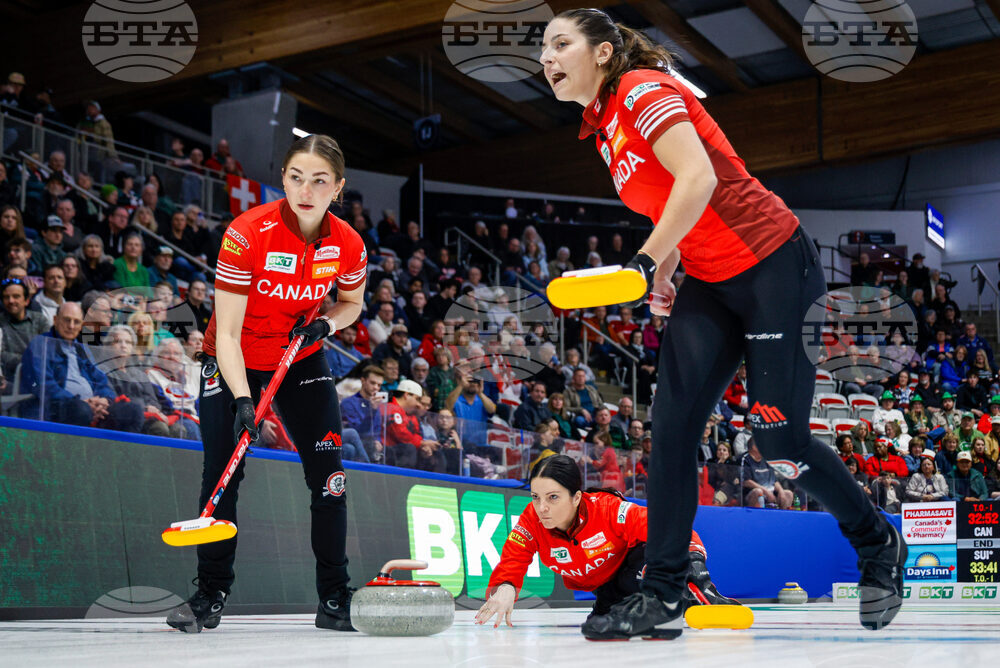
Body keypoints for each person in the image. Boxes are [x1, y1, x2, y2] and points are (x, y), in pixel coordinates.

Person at [538, 10, 906, 638]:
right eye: (542, 47)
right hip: (709, 279)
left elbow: (700, 177)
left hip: (773, 267)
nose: (546, 58)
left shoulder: (641, 90)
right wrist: (664, 272)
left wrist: (646, 258)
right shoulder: (602, 129)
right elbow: (672, 203)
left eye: (560, 44)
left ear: (602, 53)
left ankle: (877, 545)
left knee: (777, 440)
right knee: (673, 428)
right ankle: (663, 590)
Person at [164, 135, 367, 634]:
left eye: (320, 180)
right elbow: (227, 332)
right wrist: (241, 399)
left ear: (337, 188)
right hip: (232, 358)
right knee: (223, 475)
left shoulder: (348, 243)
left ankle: (335, 596)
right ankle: (210, 593)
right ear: (283, 179)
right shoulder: (246, 233)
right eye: (296, 177)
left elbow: (352, 304)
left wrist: (328, 324)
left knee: (330, 477)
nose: (306, 189)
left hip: (300, 357)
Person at [476, 455, 734, 628]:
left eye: (553, 497)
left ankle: (686, 595)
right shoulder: (532, 519)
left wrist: (694, 561)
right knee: (599, 626)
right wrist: (507, 586)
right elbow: (514, 557)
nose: (541, 507)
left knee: (653, 567)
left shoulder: (608, 509)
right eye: (535, 496)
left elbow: (669, 528)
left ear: (576, 497)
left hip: (635, 565)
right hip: (605, 589)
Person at [0, 277, 50, 380]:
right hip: (9, 379)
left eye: (16, 296)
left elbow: (47, 349)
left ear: (26, 301)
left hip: (38, 375)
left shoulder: (39, 320)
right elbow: (1, 355)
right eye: (6, 297)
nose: (11, 301)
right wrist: (27, 359)